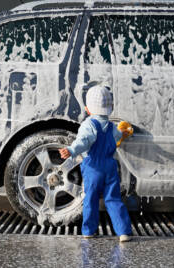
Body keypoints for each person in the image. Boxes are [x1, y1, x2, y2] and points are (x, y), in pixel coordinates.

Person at [59, 85, 133, 242]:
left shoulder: (89, 125)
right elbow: (118, 136)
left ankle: (89, 230)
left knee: (91, 198)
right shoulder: (112, 126)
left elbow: (83, 141)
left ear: (87, 109)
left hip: (93, 167)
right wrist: (125, 133)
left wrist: (71, 150)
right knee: (113, 199)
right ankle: (123, 232)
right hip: (110, 166)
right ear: (110, 108)